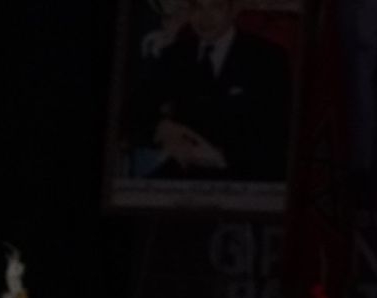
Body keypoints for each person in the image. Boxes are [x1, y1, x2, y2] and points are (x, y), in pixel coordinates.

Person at [123, 0, 291, 180]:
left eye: (216, 6)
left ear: (233, 10)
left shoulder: (268, 58)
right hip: (183, 173)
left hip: (247, 176)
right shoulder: (175, 55)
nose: (205, 17)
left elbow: (279, 133)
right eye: (197, 7)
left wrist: (222, 157)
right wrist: (162, 129)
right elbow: (131, 112)